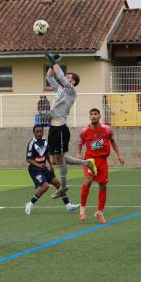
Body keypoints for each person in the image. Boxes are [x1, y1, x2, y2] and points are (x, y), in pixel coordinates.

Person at [44, 52, 97, 198]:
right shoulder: (60, 90)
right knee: (55, 160)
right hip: (53, 129)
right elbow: (49, 77)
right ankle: (87, 163)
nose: (65, 77)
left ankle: (63, 186)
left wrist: (54, 61)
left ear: (73, 82)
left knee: (59, 159)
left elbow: (60, 76)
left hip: (61, 128)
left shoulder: (71, 91)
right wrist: (52, 62)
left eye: (68, 77)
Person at [77, 108, 124, 223]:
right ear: (89, 117)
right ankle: (82, 209)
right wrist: (78, 153)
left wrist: (119, 155)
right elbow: (79, 142)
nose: (93, 116)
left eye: (95, 114)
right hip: (90, 161)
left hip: (102, 161)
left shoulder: (107, 130)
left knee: (103, 185)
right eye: (91, 114)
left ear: (99, 116)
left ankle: (99, 212)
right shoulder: (84, 131)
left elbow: (113, 141)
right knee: (88, 180)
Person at [25, 125, 80, 215]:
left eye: (40, 131)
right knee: (45, 186)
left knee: (59, 184)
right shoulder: (32, 143)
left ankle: (68, 206)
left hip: (43, 168)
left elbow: (47, 154)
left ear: (43, 132)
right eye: (36, 132)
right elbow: (28, 159)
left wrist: (51, 165)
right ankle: (30, 204)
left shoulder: (45, 142)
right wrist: (39, 165)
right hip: (34, 169)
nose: (39, 133)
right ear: (33, 133)